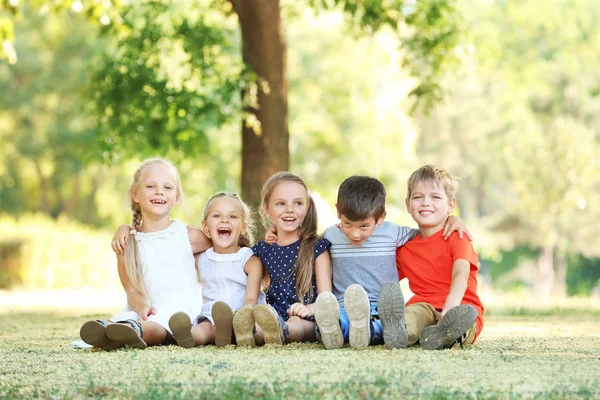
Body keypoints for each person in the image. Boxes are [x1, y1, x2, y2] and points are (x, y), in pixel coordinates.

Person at [314, 175, 470, 349]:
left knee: (386, 324)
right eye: (347, 224)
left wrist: (451, 218)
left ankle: (366, 329)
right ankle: (334, 332)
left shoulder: (392, 232)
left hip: (381, 307)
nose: (355, 234)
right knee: (337, 320)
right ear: (338, 212)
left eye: (364, 226)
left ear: (380, 217)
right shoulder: (330, 235)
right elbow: (306, 244)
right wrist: (277, 233)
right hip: (343, 305)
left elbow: (427, 233)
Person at [79, 158, 210, 350]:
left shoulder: (188, 236)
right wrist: (142, 308)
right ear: (135, 195)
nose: (159, 191)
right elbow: (132, 292)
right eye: (150, 186)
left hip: (181, 315)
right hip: (146, 311)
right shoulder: (128, 243)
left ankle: (128, 333)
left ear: (177, 198)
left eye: (168, 187)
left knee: (154, 328)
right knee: (135, 320)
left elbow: (225, 248)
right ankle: (112, 331)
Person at [393, 164, 483, 350]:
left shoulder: (458, 237)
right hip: (423, 307)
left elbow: (461, 274)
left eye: (435, 197)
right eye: (418, 197)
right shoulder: (404, 248)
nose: (426, 203)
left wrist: (450, 306)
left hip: (460, 307)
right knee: (412, 315)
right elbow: (384, 274)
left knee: (460, 321)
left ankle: (448, 334)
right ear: (408, 204)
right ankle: (399, 330)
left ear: (451, 204)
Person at [242, 172, 333, 345]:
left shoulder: (317, 248)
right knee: (261, 326)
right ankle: (261, 333)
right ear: (267, 208)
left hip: (308, 319)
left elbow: (326, 299)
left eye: (298, 203)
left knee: (295, 324)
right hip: (273, 316)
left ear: (307, 208)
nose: (289, 209)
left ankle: (279, 332)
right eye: (281, 203)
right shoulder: (263, 250)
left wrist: (307, 309)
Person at [167, 192, 267, 348]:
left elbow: (250, 300)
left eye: (233, 217)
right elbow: (170, 239)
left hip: (244, 318)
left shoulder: (249, 260)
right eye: (216, 216)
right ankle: (187, 334)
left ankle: (232, 334)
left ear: (243, 227)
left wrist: (242, 318)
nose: (224, 220)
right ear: (205, 226)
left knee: (259, 330)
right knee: (203, 330)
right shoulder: (201, 258)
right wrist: (128, 229)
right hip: (212, 317)